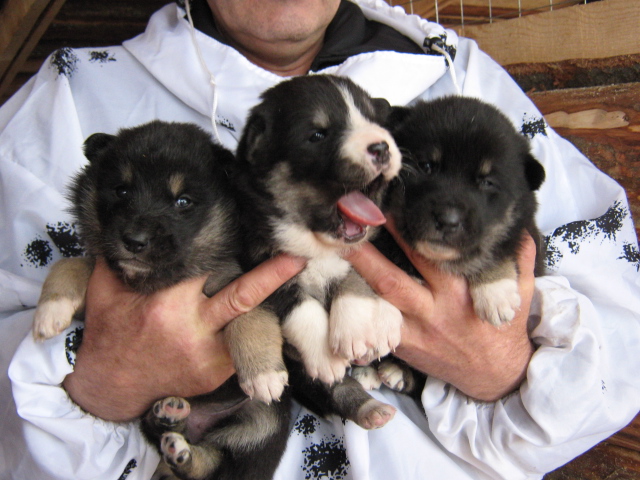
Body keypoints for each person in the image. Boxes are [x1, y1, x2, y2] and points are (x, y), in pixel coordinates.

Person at [0, 0, 638, 478]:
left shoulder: (457, 80)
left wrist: (502, 366)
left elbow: (621, 329)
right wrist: (100, 383)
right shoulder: (75, 93)